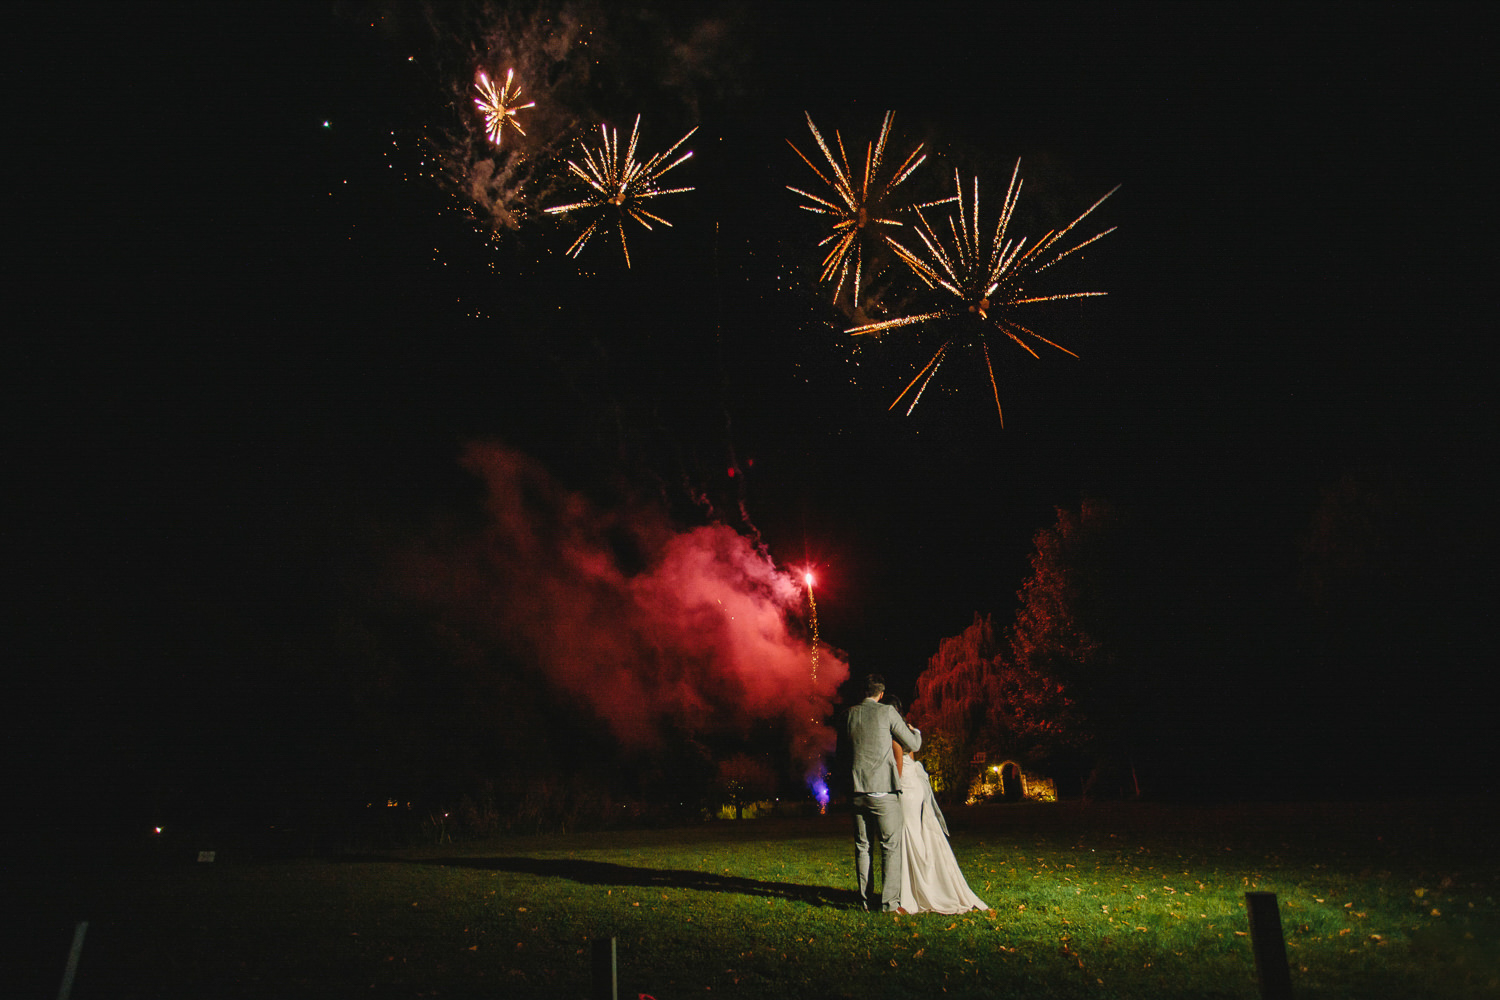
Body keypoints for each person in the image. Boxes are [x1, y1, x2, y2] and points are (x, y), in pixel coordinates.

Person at [886, 696, 989, 914]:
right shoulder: (908, 729)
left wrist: (892, 789)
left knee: (907, 833)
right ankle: (921, 885)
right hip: (915, 786)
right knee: (916, 832)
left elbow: (899, 766)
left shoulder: (894, 733)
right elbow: (911, 758)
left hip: (905, 787)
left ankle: (913, 892)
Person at [841, 674, 922, 912]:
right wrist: (915, 732)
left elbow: (842, 754)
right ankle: (889, 903)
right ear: (881, 694)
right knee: (890, 846)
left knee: (862, 847)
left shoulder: (847, 715)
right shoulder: (887, 713)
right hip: (883, 791)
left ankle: (866, 902)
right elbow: (913, 745)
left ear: (862, 692)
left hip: (857, 790)